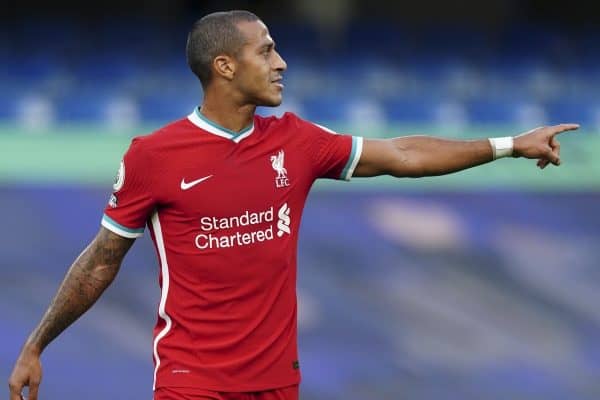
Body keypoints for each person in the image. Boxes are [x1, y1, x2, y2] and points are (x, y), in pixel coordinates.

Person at [8, 10, 578, 400]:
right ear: (225, 66)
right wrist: (36, 345)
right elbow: (102, 259)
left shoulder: (296, 141)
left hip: (278, 381)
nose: (281, 62)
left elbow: (404, 153)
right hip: (192, 382)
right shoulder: (154, 156)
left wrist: (507, 145)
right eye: (267, 51)